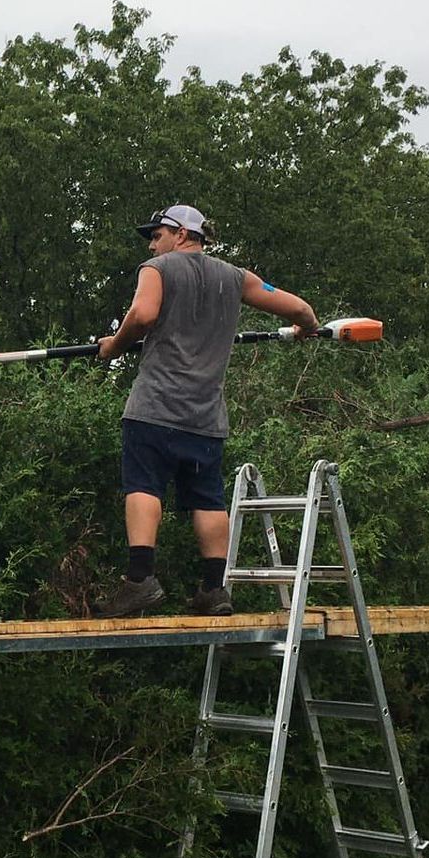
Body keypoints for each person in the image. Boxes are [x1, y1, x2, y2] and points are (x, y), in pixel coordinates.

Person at [96, 204, 318, 618]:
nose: (152, 242)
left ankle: (140, 581)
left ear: (182, 233)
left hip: (154, 408)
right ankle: (214, 590)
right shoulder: (236, 278)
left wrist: (114, 346)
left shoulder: (157, 268)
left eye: (158, 233)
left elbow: (143, 315)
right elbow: (301, 310)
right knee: (208, 500)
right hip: (205, 419)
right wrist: (305, 328)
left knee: (143, 487)